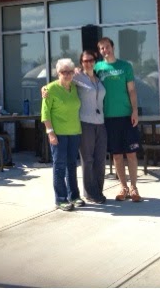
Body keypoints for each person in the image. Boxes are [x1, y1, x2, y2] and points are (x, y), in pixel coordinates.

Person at [94, 37, 141, 202]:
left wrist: (134, 111)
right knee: (117, 155)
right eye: (102, 48)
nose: (105, 50)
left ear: (112, 47)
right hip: (108, 118)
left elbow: (132, 90)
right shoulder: (97, 68)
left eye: (107, 47)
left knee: (131, 154)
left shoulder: (125, 66)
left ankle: (134, 187)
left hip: (126, 116)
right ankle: (123, 187)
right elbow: (82, 79)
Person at [41, 58, 83, 211]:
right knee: (59, 166)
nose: (67, 74)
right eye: (63, 72)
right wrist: (50, 133)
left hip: (74, 132)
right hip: (58, 134)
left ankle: (74, 196)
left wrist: (78, 70)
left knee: (72, 165)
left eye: (70, 71)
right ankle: (60, 199)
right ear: (58, 73)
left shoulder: (75, 86)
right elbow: (45, 114)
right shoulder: (50, 89)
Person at [73, 50, 107, 204]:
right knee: (87, 159)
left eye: (91, 60)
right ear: (81, 63)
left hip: (101, 123)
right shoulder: (77, 77)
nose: (88, 63)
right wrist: (46, 90)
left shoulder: (98, 79)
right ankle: (90, 193)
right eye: (85, 61)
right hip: (85, 123)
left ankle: (98, 191)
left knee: (100, 159)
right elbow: (60, 78)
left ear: (95, 61)